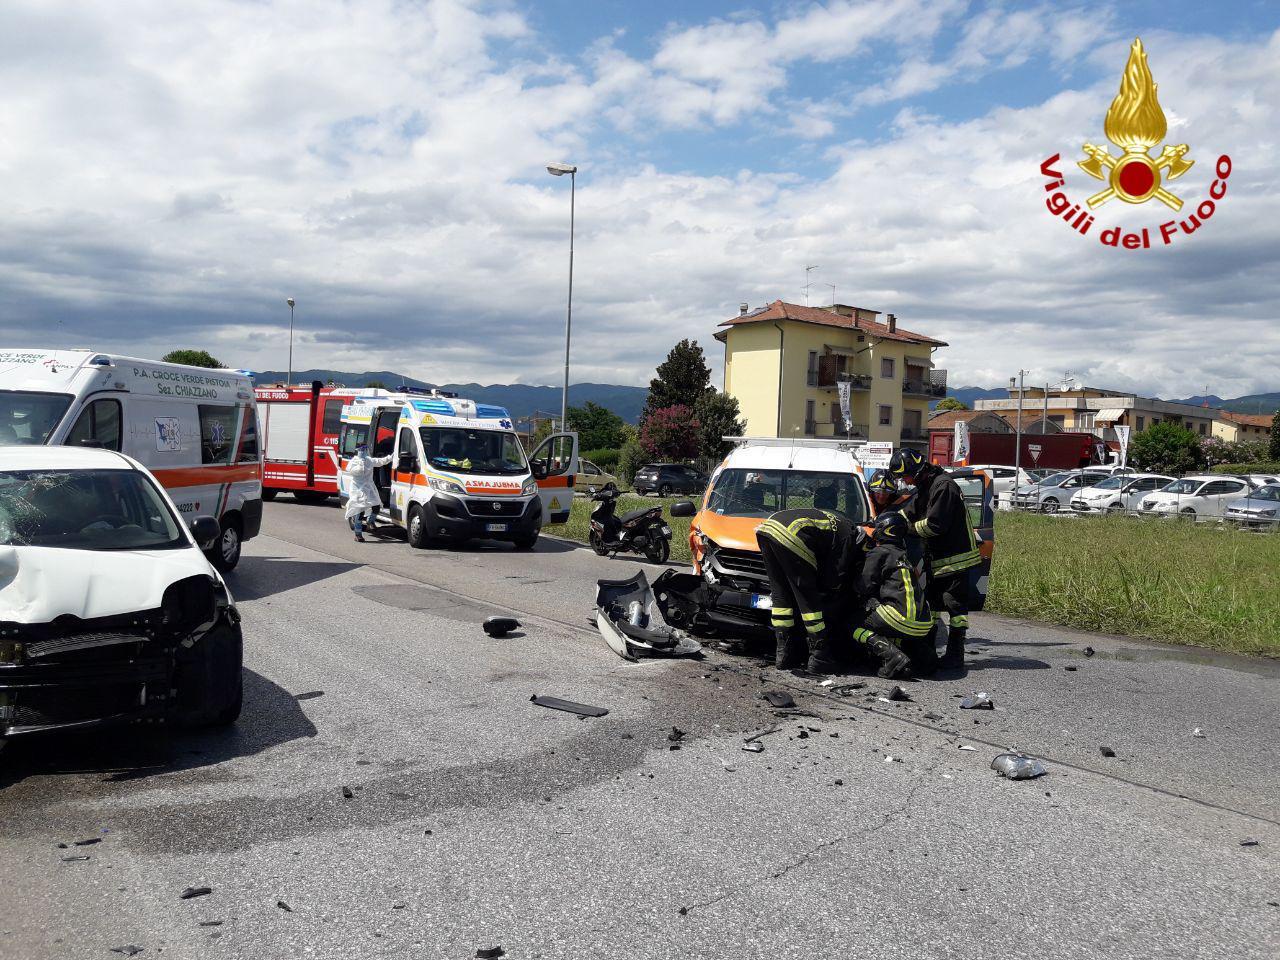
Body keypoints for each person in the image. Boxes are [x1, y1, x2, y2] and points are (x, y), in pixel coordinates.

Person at [889, 448, 981, 666]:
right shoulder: (927, 486)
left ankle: (955, 655)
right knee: (932, 606)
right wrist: (886, 522)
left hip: (955, 560)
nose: (906, 482)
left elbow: (934, 525)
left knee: (954, 607)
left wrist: (905, 529)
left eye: (906, 476)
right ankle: (928, 650)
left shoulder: (944, 486)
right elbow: (907, 512)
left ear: (917, 471)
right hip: (938, 560)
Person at [755, 506, 860, 673]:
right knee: (808, 599)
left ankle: (784, 655)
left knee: (781, 596)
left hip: (766, 530)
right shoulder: (850, 534)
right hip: (790, 534)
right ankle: (819, 657)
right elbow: (835, 575)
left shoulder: (838, 523)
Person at [852, 512, 936, 678]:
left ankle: (892, 658)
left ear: (884, 530)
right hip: (923, 625)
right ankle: (921, 658)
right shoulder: (904, 556)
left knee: (851, 622)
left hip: (898, 619)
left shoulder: (880, 552)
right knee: (895, 622)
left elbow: (863, 586)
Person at [344, 442, 393, 542]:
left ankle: (370, 522)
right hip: (358, 490)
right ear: (358, 451)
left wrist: (391, 457)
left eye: (365, 449)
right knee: (359, 511)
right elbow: (353, 471)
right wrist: (361, 464)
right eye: (362, 449)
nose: (364, 451)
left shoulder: (369, 460)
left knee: (376, 507)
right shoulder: (354, 461)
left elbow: (381, 461)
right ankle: (358, 534)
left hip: (369, 488)